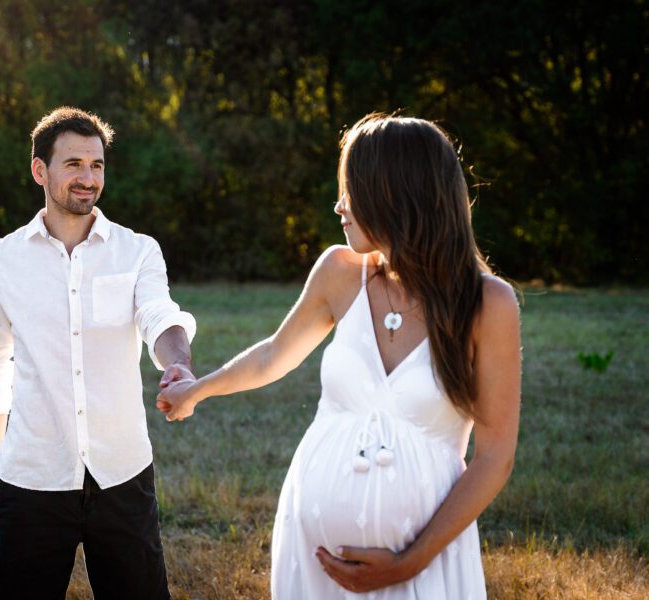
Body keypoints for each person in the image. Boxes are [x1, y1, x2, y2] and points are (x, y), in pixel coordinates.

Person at [156, 113, 521, 598]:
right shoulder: (340, 271)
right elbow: (273, 356)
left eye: (352, 189)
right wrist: (195, 391)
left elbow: (494, 457)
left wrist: (409, 562)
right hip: (313, 560)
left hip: (426, 564)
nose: (339, 205)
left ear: (397, 192)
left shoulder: (488, 303)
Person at [0, 106, 196, 599]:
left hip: (123, 472)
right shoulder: (0, 262)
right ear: (39, 171)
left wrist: (178, 363)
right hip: (32, 478)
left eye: (97, 165)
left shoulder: (137, 251)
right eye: (74, 165)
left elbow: (160, 316)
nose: (88, 178)